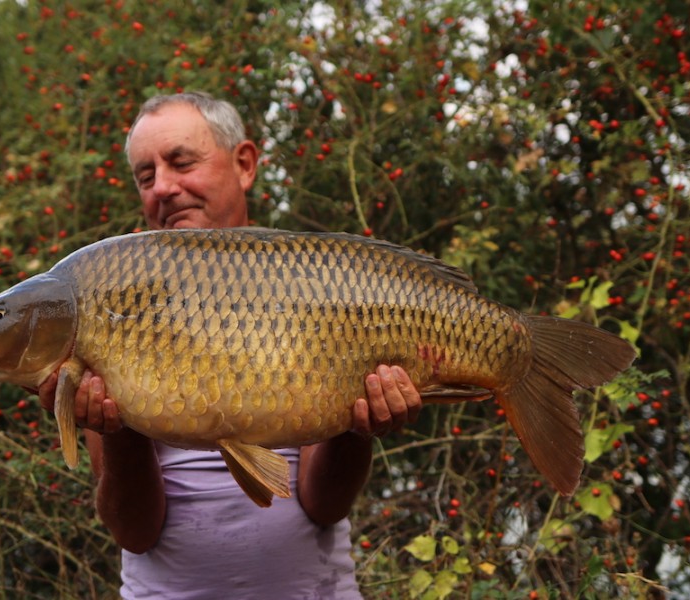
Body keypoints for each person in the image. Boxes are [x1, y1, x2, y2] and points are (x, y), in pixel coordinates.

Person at [37, 91, 423, 599]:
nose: (164, 188)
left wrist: (357, 425)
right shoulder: (110, 293)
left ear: (244, 164)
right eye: (145, 175)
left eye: (180, 162)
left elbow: (323, 506)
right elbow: (134, 532)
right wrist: (118, 424)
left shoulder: (316, 283)